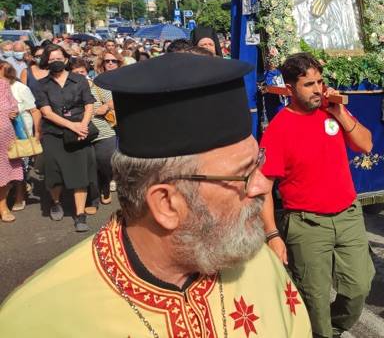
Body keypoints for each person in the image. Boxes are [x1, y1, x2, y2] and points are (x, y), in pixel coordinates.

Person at [0, 53, 312, 336]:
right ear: (166, 204)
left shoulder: (256, 261)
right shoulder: (41, 320)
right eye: (245, 173)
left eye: (259, 162)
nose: (261, 185)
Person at [260, 53, 374, 338]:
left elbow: (367, 144)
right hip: (306, 224)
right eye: (309, 84)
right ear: (290, 90)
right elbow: (262, 188)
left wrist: (340, 113)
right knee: (315, 298)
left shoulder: (331, 111)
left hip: (348, 215)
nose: (318, 89)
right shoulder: (278, 129)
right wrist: (273, 235)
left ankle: (333, 328)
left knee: (359, 286)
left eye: (320, 82)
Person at [35, 44, 98, 231]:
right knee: (54, 173)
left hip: (80, 131)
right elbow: (46, 112)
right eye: (51, 59)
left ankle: (80, 215)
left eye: (58, 58)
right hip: (54, 133)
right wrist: (73, 126)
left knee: (80, 172)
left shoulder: (79, 80)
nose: (56, 62)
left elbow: (89, 105)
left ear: (65, 59)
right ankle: (56, 201)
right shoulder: (41, 85)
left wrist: (83, 126)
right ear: (46, 61)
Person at [1, 61, 40, 213]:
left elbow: (34, 110)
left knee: (20, 168)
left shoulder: (20, 88)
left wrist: (36, 133)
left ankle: (19, 196)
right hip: (5, 134)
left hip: (20, 134)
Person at [91, 50, 123, 205]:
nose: (110, 63)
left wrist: (109, 105)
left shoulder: (126, 78)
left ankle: (119, 177)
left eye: (114, 61)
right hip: (106, 123)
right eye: (107, 61)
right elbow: (95, 105)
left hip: (124, 120)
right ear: (102, 63)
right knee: (108, 154)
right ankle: (109, 177)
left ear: (119, 62)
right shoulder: (97, 81)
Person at [0, 77, 20, 223]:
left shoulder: (2, 83)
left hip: (4, 136)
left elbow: (13, 105)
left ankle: (3, 206)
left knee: (3, 174)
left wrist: (13, 111)